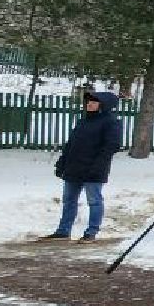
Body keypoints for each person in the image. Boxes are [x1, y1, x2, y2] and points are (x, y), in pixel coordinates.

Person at [44, 89, 123, 241]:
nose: (90, 104)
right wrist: (62, 163)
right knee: (69, 200)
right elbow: (71, 144)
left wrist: (99, 166)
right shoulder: (83, 121)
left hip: (94, 169)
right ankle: (63, 231)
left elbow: (111, 146)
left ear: (103, 105)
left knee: (94, 201)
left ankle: (91, 232)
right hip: (74, 168)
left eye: (94, 101)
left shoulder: (111, 122)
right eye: (88, 101)